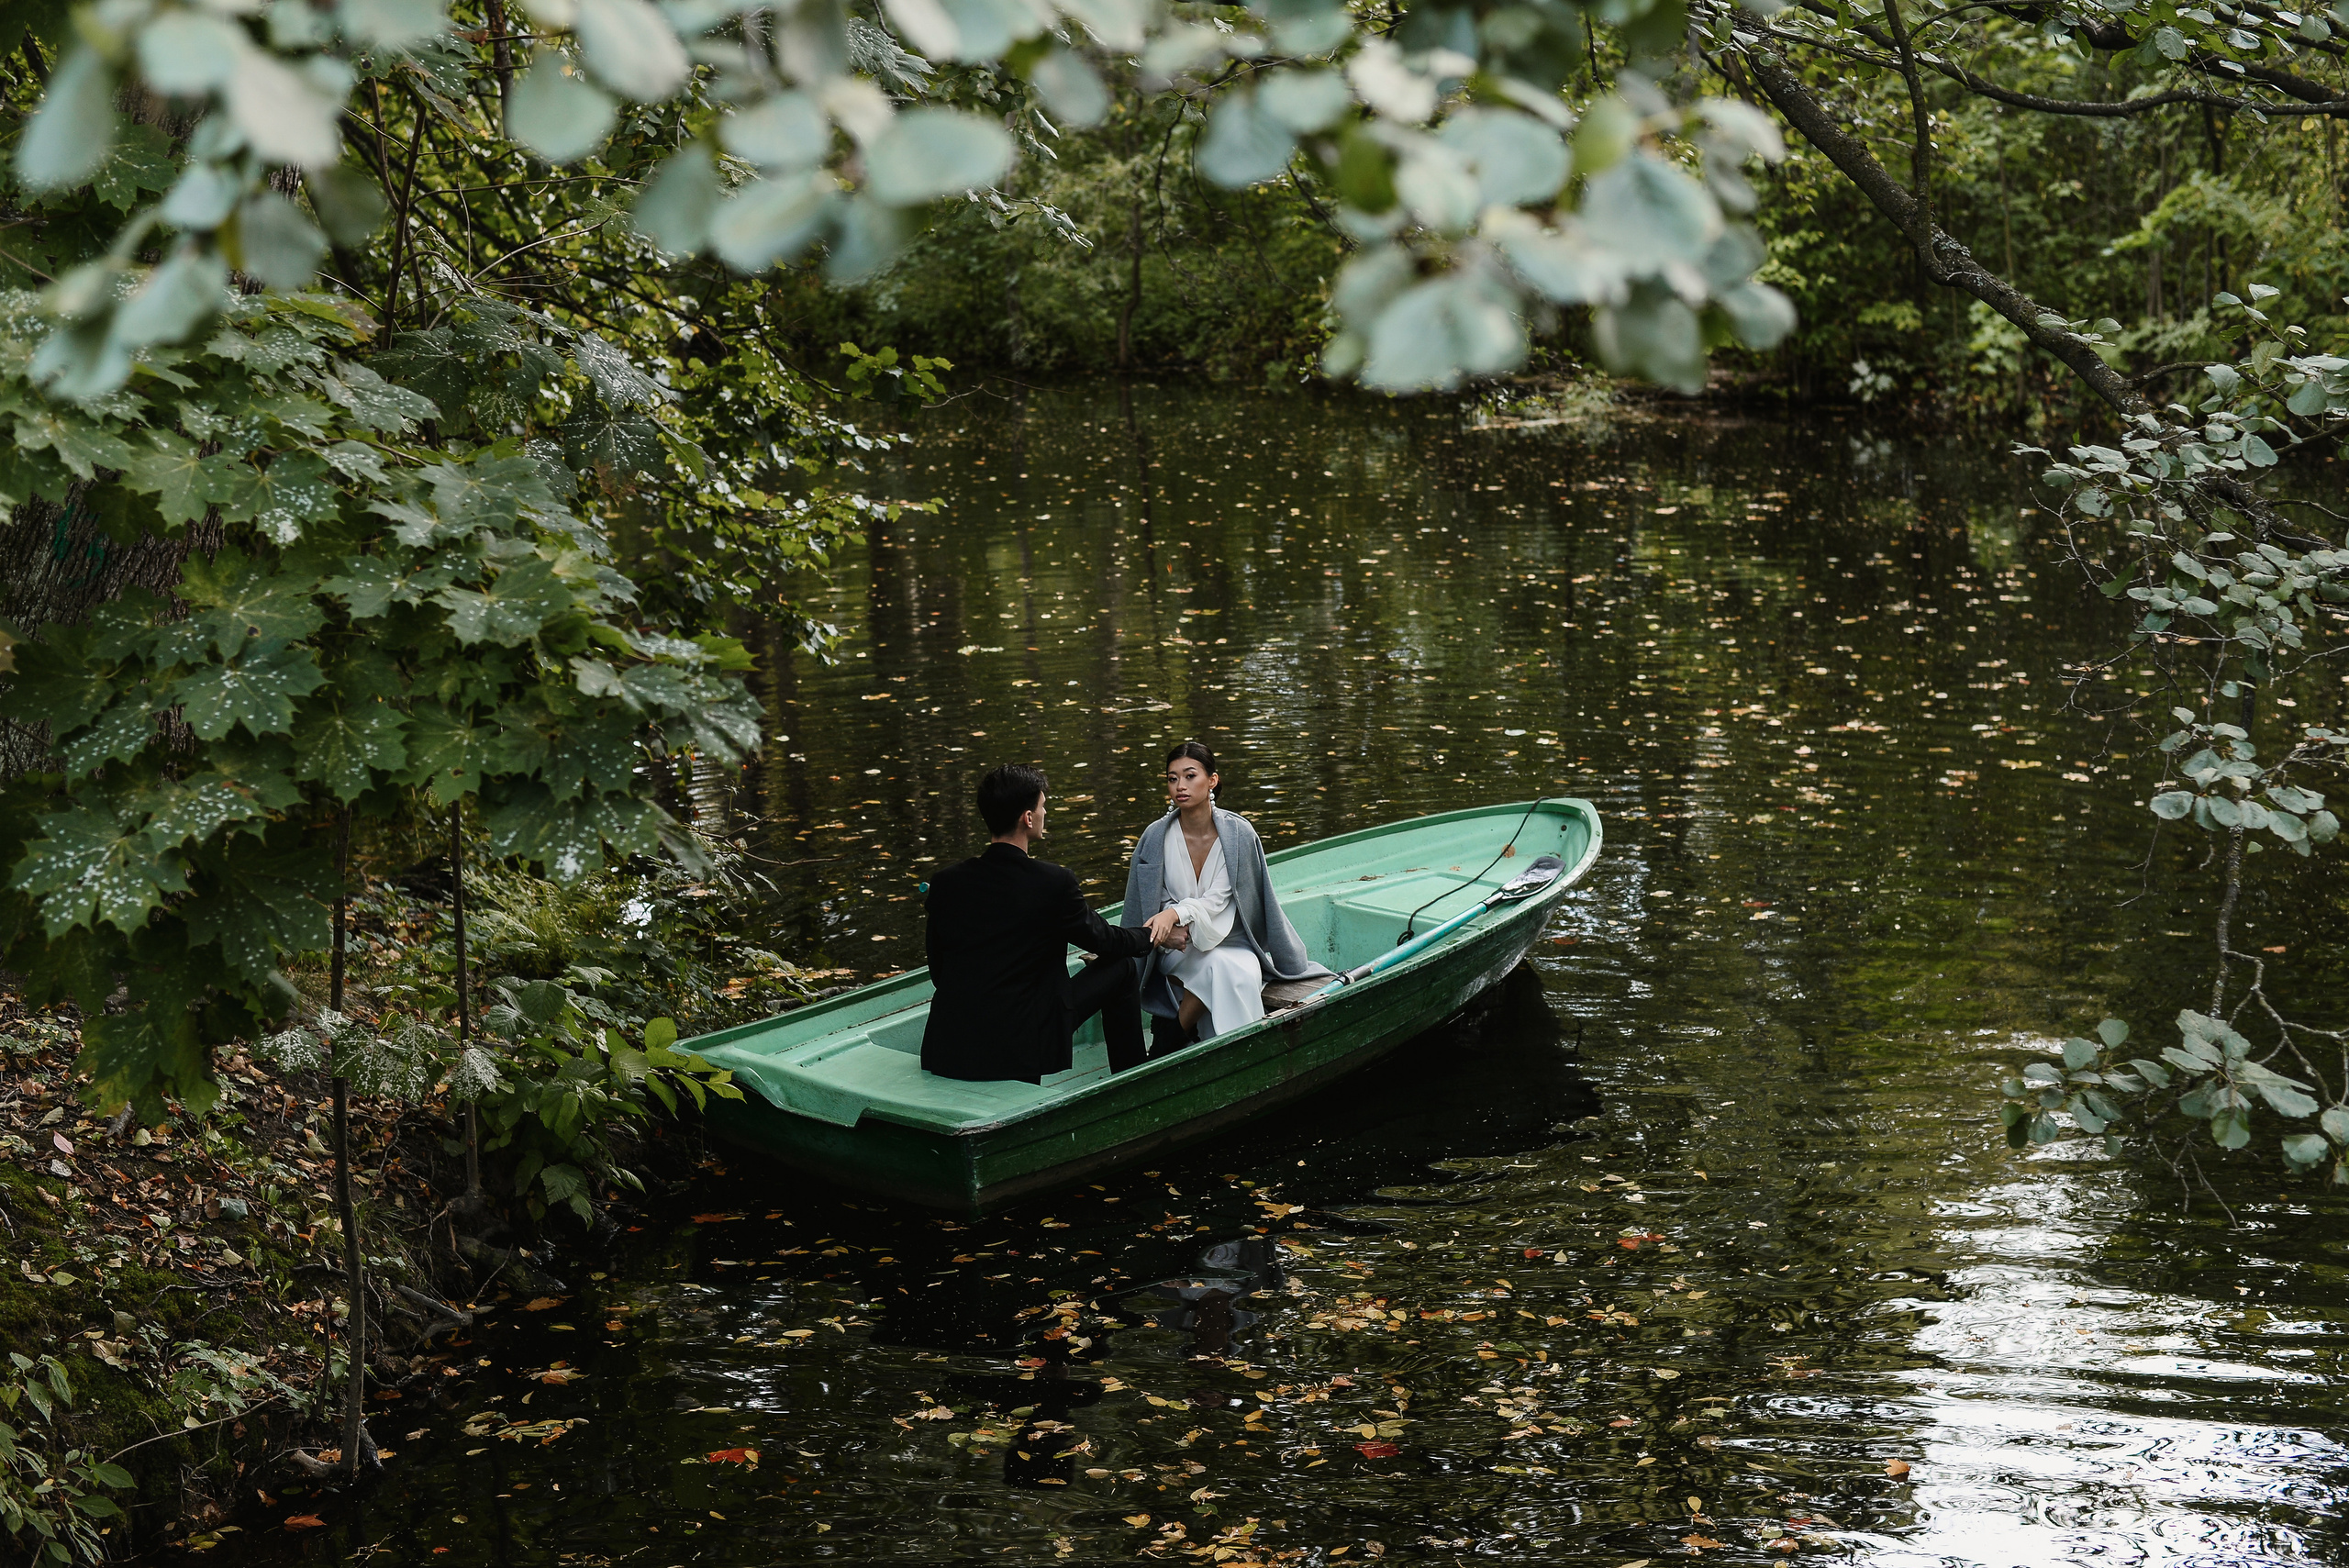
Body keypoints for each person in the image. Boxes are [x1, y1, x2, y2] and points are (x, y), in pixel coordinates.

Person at [921, 763, 1160, 1082]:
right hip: (1019, 1046)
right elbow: (1104, 940)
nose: (1045, 813)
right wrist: (1151, 936)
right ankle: (1132, 1082)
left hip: (949, 1046)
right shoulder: (1053, 882)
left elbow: (939, 970)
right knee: (1122, 968)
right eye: (1043, 806)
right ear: (1028, 818)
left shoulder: (945, 883)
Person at [1121, 742, 1330, 1052]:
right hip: (1177, 947)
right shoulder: (1156, 836)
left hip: (1232, 941)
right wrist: (1168, 926)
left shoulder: (1238, 835)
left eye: (1190, 776)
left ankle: (1176, 1034)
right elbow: (1154, 898)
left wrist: (1176, 915)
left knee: (1230, 967)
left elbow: (1218, 899)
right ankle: (1246, 1052)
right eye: (1172, 778)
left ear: (1212, 781)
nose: (1180, 786)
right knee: (1219, 968)